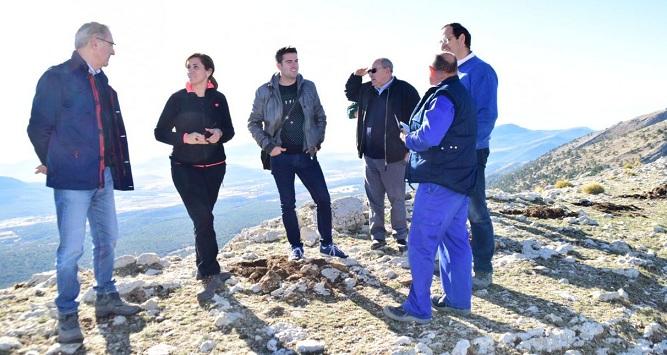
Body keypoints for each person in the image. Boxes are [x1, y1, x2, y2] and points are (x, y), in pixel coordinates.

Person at [26, 22, 140, 343]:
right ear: (94, 42)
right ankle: (66, 313)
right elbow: (38, 127)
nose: (113, 51)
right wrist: (55, 162)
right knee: (71, 249)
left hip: (102, 177)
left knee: (108, 239)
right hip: (72, 180)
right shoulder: (56, 77)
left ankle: (106, 297)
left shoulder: (101, 82)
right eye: (110, 44)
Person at [383, 52, 477, 323]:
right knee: (455, 240)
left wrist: (407, 137)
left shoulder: (444, 96)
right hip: (460, 181)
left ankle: (417, 308)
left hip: (439, 182)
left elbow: (429, 137)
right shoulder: (462, 93)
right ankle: (458, 301)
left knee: (421, 243)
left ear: (432, 70)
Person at [248, 46, 347, 261]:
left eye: (296, 61)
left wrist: (317, 140)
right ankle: (296, 247)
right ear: (279, 66)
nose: (294, 65)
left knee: (323, 199)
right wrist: (269, 147)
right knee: (288, 204)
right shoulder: (265, 91)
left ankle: (327, 244)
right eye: (289, 62)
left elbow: (320, 116)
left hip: (306, 155)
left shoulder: (308, 87)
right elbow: (253, 123)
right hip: (280, 157)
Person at [154, 53, 235, 303]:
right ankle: (210, 272)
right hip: (184, 168)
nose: (190, 70)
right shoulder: (177, 99)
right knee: (203, 217)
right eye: (188, 67)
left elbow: (230, 131)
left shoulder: (219, 99)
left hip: (215, 167)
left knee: (204, 220)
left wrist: (219, 133)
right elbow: (160, 132)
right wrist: (185, 138)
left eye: (195, 67)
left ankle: (205, 267)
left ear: (209, 71)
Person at [441, 23, 499, 289]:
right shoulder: (452, 72)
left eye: (446, 39)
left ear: (461, 38)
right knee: (448, 210)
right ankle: (447, 263)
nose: (442, 44)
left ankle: (484, 269)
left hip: (472, 153)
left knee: (475, 210)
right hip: (449, 153)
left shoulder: (481, 71)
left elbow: (487, 115)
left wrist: (468, 147)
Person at [344, 58, 419, 251]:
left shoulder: (405, 90)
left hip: (394, 156)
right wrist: (355, 76)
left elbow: (418, 119)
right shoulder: (367, 89)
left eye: (374, 71)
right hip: (370, 155)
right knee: (374, 199)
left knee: (397, 199)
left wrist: (408, 150)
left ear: (388, 70)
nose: (370, 75)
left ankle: (401, 236)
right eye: (369, 72)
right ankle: (378, 237)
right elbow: (350, 93)